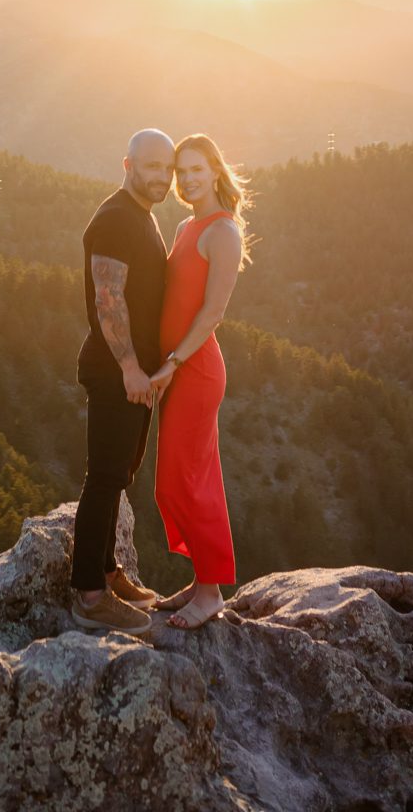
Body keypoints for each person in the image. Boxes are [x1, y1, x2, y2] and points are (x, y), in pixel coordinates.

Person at [69, 126, 176, 634]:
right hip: (118, 373)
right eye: (150, 165)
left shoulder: (141, 216)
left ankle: (108, 571)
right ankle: (89, 596)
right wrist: (131, 368)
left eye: (167, 167)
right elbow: (107, 299)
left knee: (119, 475)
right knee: (104, 477)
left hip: (137, 376)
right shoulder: (115, 218)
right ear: (128, 165)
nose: (160, 175)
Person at [149, 132, 249, 629]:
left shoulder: (222, 233)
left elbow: (212, 313)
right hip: (177, 368)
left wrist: (171, 363)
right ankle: (201, 580)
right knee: (173, 483)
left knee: (186, 481)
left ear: (214, 169)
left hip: (196, 369)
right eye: (180, 172)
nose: (186, 180)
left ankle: (210, 593)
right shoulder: (187, 225)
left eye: (195, 170)